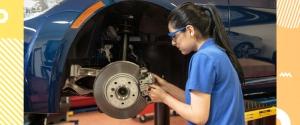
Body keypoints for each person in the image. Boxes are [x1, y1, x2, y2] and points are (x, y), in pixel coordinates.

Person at [149, 2, 245, 125]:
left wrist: (164, 98)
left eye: (174, 36)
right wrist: (165, 86)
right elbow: (194, 101)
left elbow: (199, 117)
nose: (173, 42)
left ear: (190, 30)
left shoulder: (202, 58)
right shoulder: (215, 52)